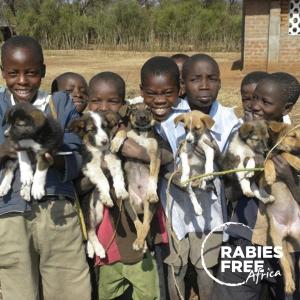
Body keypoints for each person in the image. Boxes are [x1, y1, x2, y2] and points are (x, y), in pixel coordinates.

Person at [140, 55, 239, 300]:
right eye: (196, 79)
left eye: (211, 79)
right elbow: (164, 154)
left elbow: (228, 164)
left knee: (206, 265)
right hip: (173, 211)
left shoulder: (214, 117)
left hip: (210, 210)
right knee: (176, 265)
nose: (204, 85)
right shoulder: (170, 116)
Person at [0, 36, 91, 300]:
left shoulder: (60, 105)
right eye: (13, 73)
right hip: (9, 216)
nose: (23, 81)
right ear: (3, 72)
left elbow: (79, 153)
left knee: (70, 289)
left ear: (43, 71)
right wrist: (6, 149)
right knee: (18, 291)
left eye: (31, 73)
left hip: (58, 214)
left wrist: (56, 157)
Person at [77, 71, 165, 300]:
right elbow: (79, 185)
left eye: (112, 101)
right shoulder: (86, 134)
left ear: (124, 105)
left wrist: (133, 150)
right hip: (103, 236)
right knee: (107, 290)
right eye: (96, 100)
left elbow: (165, 156)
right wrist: (105, 167)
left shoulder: (133, 130)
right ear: (88, 102)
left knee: (145, 289)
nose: (104, 106)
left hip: (137, 235)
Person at [212, 72, 300, 300]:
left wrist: (289, 179)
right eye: (254, 98)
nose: (255, 106)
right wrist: (244, 176)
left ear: (287, 108)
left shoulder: (296, 142)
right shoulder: (240, 136)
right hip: (244, 239)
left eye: (266, 102)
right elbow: (229, 193)